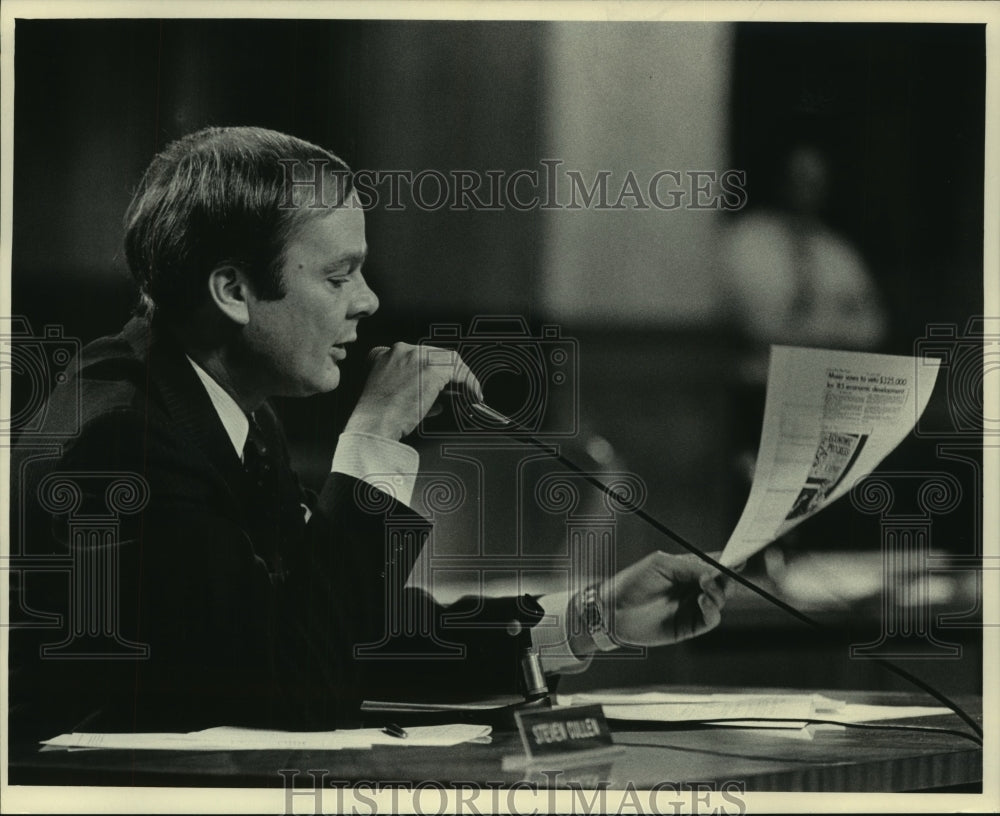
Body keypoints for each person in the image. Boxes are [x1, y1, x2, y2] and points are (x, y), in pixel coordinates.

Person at [9, 127, 729, 743]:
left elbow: (341, 631)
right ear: (232, 291)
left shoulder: (222, 406)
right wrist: (376, 439)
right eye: (338, 276)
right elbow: (296, 687)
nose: (370, 301)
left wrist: (592, 619)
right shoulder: (120, 441)